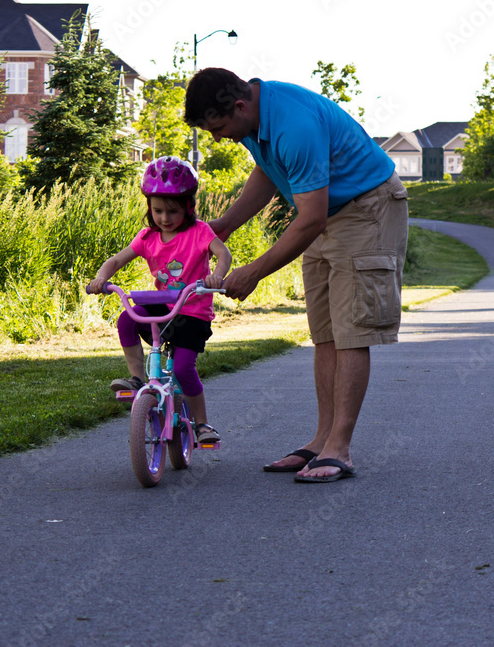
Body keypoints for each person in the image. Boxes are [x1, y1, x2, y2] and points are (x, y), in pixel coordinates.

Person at [184, 68, 408, 482]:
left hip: (366, 210)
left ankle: (339, 448)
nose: (217, 138)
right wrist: (224, 225)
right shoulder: (256, 120)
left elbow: (310, 219)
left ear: (238, 106)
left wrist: (254, 272)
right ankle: (321, 441)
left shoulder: (293, 124)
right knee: (324, 333)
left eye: (218, 128)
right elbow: (270, 172)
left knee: (351, 332)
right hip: (326, 213)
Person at [87, 156, 232, 444]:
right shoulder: (147, 237)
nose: (164, 218)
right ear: (149, 208)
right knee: (128, 316)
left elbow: (223, 254)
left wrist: (216, 276)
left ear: (189, 207)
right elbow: (117, 260)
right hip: (164, 307)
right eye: (157, 210)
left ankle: (202, 423)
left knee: (181, 368)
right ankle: (137, 378)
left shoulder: (199, 231)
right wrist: (101, 277)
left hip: (193, 313)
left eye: (173, 211)